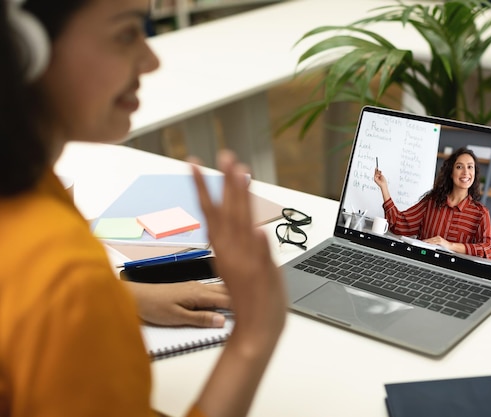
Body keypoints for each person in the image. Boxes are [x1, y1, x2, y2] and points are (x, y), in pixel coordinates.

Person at [0, 1, 286, 416]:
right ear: (25, 49)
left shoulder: (29, 190)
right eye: (126, 33)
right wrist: (255, 335)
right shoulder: (64, 272)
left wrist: (124, 295)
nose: (151, 60)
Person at [373, 147, 491, 259]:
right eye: (459, 167)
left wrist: (449, 245)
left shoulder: (480, 213)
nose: (465, 172)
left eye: (470, 167)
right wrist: (384, 187)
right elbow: (398, 224)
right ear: (451, 173)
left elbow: (488, 250)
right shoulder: (431, 202)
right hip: (422, 267)